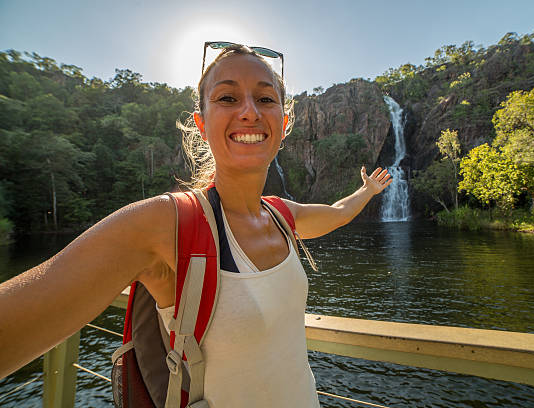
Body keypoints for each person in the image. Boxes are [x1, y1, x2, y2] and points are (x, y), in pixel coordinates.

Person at [0, 43, 392, 406]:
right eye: (227, 97)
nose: (250, 111)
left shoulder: (283, 215)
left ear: (284, 122)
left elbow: (339, 212)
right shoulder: (163, 223)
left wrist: (369, 190)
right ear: (201, 123)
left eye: (265, 98)